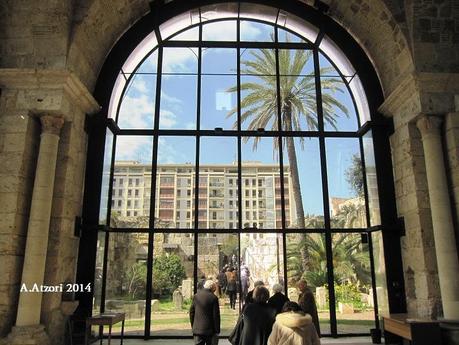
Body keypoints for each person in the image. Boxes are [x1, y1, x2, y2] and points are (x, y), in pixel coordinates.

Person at [190, 280, 221, 345]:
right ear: (212, 288)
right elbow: (216, 315)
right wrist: (217, 330)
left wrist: (193, 325)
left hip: (197, 329)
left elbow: (192, 312)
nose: (215, 289)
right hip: (210, 330)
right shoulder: (213, 298)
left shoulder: (196, 296)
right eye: (214, 288)